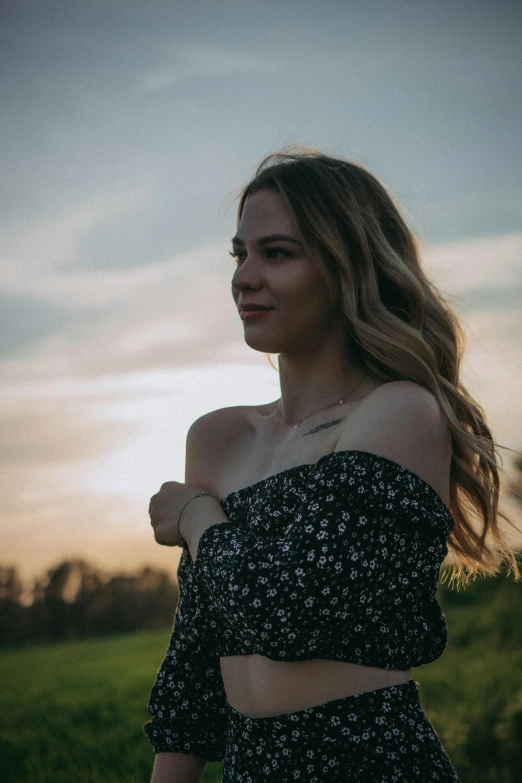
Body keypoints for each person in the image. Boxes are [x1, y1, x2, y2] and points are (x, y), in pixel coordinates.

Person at [143, 148, 520, 782]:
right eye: (240, 255)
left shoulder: (399, 413)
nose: (244, 278)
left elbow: (286, 615)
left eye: (278, 253)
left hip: (366, 759)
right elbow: (195, 663)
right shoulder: (216, 438)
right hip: (250, 766)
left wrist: (199, 516)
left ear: (348, 267)